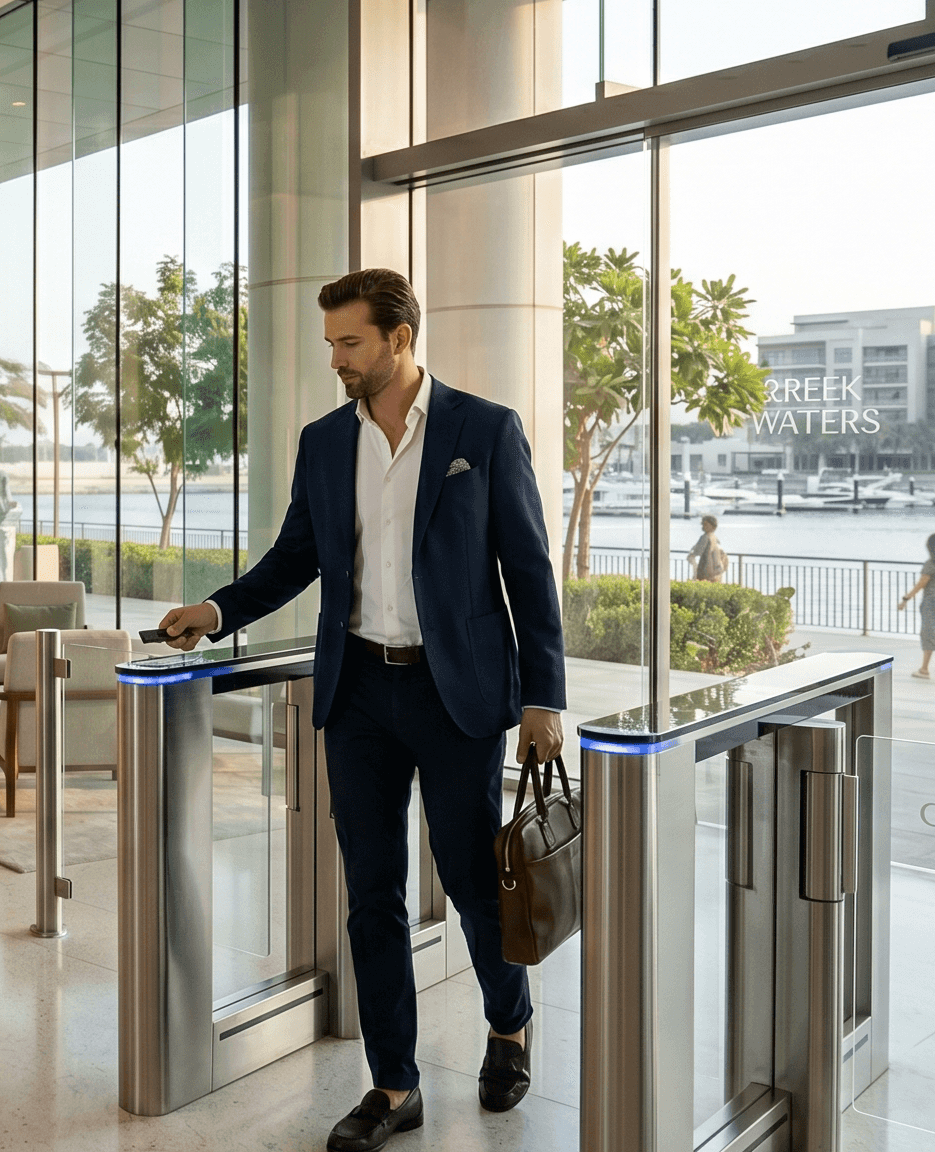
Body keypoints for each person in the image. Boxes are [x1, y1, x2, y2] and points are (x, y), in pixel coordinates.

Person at [154, 269, 564, 1151]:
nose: (336, 359)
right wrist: (217, 610)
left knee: (471, 881)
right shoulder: (324, 440)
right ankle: (393, 1085)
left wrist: (544, 697)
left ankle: (509, 1020)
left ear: (399, 338)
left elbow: (529, 570)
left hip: (455, 696)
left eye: (350, 342)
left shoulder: (483, 430)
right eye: (331, 343)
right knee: (371, 896)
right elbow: (294, 556)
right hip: (358, 695)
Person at [896, 532, 935, 679]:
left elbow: (922, 583)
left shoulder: (931, 564)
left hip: (932, 602)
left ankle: (924, 670)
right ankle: (924, 669)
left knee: (929, 633)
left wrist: (906, 598)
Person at [688, 514, 728, 581]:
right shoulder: (714, 537)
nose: (704, 526)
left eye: (706, 524)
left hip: (705, 566)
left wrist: (691, 555)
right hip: (715, 568)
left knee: (702, 582)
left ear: (712, 526)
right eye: (703, 524)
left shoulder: (705, 537)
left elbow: (697, 551)